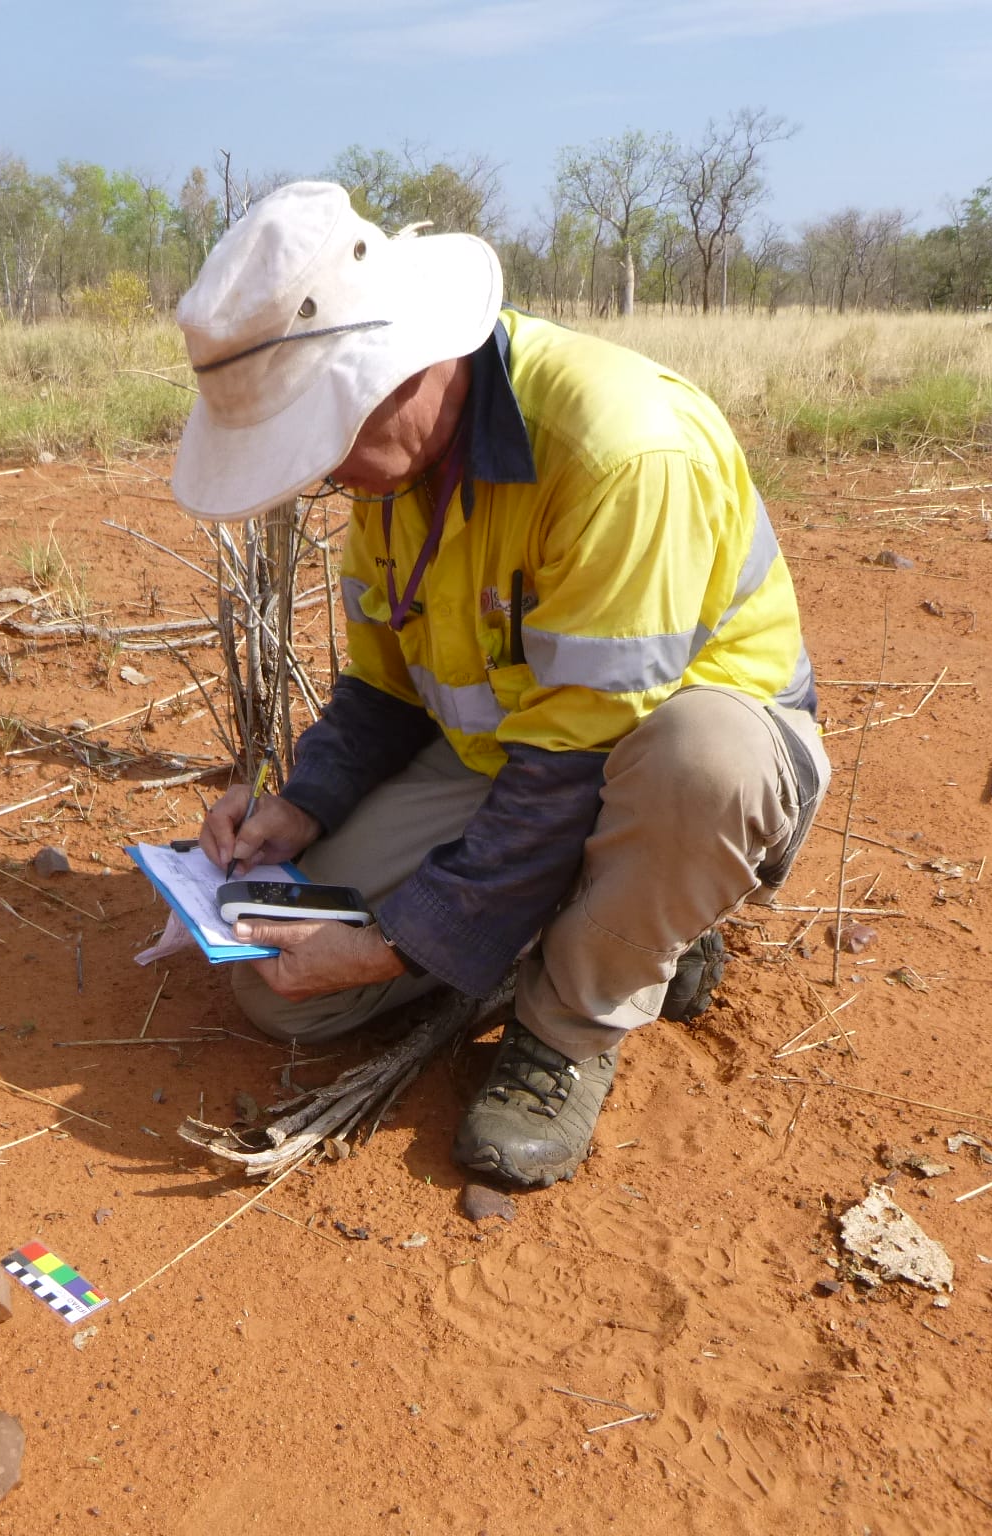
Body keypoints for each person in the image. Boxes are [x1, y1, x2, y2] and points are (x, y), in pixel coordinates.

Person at [168, 181, 828, 1189]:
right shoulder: (392, 472)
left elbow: (579, 760)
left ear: (410, 362)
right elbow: (385, 693)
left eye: (323, 435)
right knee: (280, 989)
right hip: (511, 761)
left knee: (702, 766)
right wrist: (303, 808)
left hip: (660, 765)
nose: (325, 474)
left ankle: (569, 1028)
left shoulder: (617, 449)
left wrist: (399, 941)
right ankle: (604, 929)